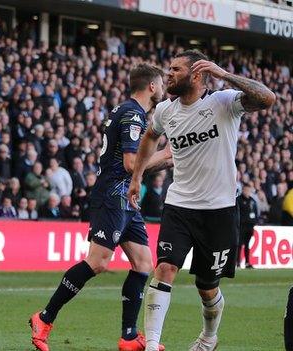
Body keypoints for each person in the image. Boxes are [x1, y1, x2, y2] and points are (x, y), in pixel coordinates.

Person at [127, 50, 275, 351]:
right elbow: (150, 138)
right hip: (179, 205)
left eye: (176, 69)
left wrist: (224, 75)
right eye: (168, 68)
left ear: (196, 75)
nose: (168, 74)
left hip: (219, 211)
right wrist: (137, 175)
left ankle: (209, 337)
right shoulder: (166, 111)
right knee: (164, 268)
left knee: (207, 288)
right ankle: (153, 345)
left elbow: (267, 98)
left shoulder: (223, 102)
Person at [30, 63, 172, 351]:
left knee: (144, 264)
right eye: (162, 83)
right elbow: (132, 165)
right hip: (113, 196)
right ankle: (43, 318)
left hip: (125, 199)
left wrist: (165, 158)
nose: (165, 88)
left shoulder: (128, 111)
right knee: (97, 262)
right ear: (152, 86)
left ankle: (129, 337)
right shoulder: (132, 115)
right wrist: (165, 155)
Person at [237, 184, 258, 269]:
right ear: (242, 190)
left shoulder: (252, 201)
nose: (247, 192)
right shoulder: (238, 200)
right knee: (239, 245)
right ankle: (237, 262)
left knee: (247, 245)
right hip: (241, 226)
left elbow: (256, 213)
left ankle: (247, 262)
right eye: (246, 190)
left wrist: (254, 222)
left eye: (248, 191)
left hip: (250, 226)